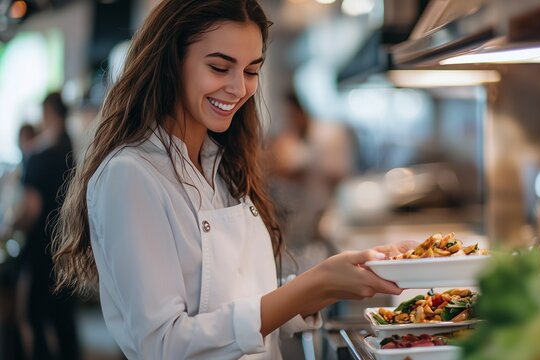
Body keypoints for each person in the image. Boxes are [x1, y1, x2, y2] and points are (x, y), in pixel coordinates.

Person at [51, 1, 411, 359]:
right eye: (220, 67)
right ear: (170, 63)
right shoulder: (130, 175)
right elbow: (163, 345)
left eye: (251, 71)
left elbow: (242, 301)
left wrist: (332, 283)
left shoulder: (221, 165)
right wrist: (312, 285)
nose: (239, 88)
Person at [14, 92, 79, 360]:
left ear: (49, 113)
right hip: (65, 244)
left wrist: (13, 227)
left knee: (33, 312)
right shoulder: (70, 151)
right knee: (63, 316)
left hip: (40, 244)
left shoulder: (39, 156)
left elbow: (31, 207)